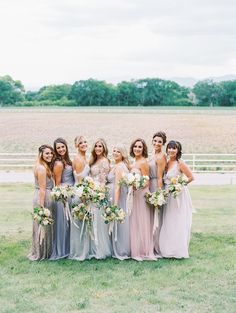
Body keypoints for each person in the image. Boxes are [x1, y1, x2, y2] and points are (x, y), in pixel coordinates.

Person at [159, 140, 194, 258]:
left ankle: (177, 250)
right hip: (168, 195)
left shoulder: (180, 163)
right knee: (168, 220)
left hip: (178, 195)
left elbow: (191, 177)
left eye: (174, 148)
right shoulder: (167, 163)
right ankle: (167, 249)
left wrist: (178, 186)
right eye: (169, 148)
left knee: (177, 220)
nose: (171, 150)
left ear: (178, 150)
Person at [129, 138, 156, 261]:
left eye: (140, 147)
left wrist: (136, 185)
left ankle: (144, 250)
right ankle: (136, 248)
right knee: (135, 221)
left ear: (143, 149)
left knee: (143, 221)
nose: (137, 149)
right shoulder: (133, 162)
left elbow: (147, 181)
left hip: (141, 194)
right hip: (134, 194)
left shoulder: (143, 162)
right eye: (135, 146)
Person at [28, 144, 54, 261]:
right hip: (43, 197)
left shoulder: (41, 166)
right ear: (41, 154)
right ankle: (43, 253)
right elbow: (43, 189)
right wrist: (42, 208)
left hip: (40, 195)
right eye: (47, 153)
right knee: (43, 224)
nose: (50, 155)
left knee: (42, 226)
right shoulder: (42, 168)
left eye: (51, 153)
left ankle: (42, 250)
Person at [50, 138, 75, 260]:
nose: (61, 149)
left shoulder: (68, 161)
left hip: (71, 194)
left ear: (66, 147)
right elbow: (57, 184)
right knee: (63, 223)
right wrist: (63, 195)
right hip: (64, 196)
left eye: (62, 146)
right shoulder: (59, 164)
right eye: (58, 148)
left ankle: (70, 248)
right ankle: (62, 249)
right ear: (55, 150)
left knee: (70, 223)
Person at [89, 138, 112, 259]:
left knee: (99, 221)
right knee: (92, 221)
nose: (98, 148)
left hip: (99, 194)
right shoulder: (93, 160)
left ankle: (101, 249)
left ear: (104, 148)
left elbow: (103, 181)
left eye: (100, 146)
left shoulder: (104, 161)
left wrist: (99, 194)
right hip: (91, 192)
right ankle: (93, 247)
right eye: (96, 146)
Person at [107, 144, 131, 260]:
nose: (115, 153)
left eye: (118, 152)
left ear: (123, 154)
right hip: (112, 196)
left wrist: (115, 206)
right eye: (114, 150)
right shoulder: (116, 165)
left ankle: (121, 249)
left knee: (119, 223)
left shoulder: (120, 167)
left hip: (117, 198)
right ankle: (114, 247)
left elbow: (118, 186)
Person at [69, 135, 90, 260]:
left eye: (85, 142)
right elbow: (80, 179)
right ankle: (79, 251)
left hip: (83, 191)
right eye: (80, 143)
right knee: (80, 221)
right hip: (80, 192)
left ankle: (83, 249)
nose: (83, 144)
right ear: (77, 146)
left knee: (83, 221)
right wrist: (83, 196)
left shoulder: (84, 157)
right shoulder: (78, 159)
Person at [148, 131, 167, 255]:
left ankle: (157, 246)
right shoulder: (152, 154)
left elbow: (160, 177)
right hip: (149, 185)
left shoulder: (161, 157)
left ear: (163, 143)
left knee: (156, 216)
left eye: (159, 142)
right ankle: (150, 243)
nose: (156, 143)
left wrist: (159, 194)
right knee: (150, 217)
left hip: (155, 185)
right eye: (155, 141)